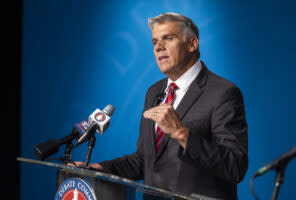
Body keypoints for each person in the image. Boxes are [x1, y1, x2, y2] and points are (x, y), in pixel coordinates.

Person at [72, 13, 248, 200]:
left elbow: (235, 166)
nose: (158, 47)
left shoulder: (223, 92)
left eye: (168, 38)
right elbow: (144, 159)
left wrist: (182, 134)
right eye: (154, 41)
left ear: (192, 44)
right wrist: (101, 169)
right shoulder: (154, 92)